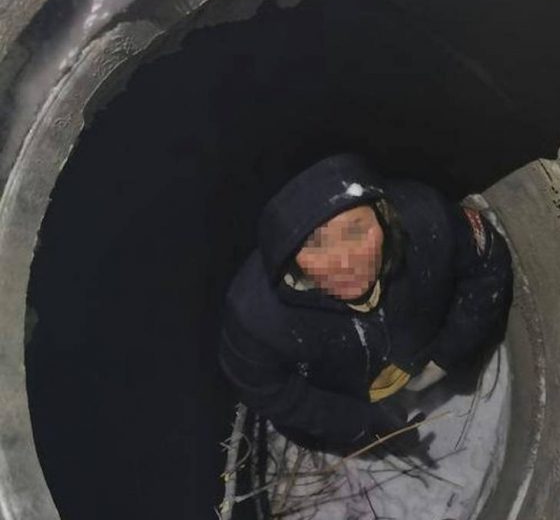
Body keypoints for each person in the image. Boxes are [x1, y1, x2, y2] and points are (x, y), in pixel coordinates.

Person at [218, 153, 513, 456]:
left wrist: (447, 353)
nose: (346, 264)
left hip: (413, 361)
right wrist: (361, 423)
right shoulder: (255, 316)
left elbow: (487, 262)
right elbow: (266, 390)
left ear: (382, 213)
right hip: (341, 402)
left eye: (355, 231)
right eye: (316, 244)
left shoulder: (426, 220)